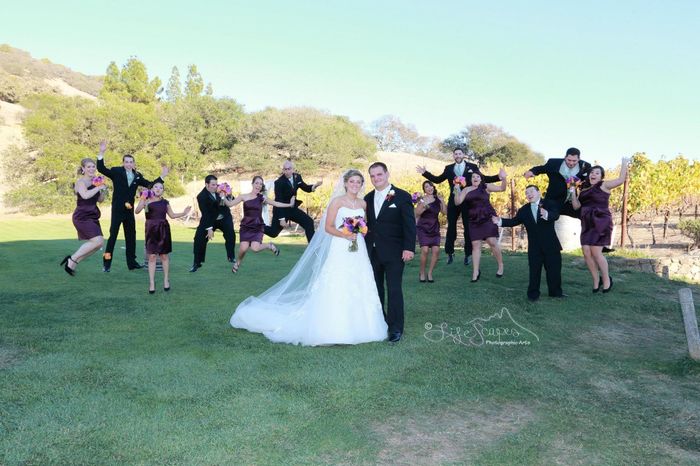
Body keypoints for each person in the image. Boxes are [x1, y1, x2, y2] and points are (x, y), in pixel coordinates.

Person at [230, 169, 388, 346]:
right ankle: (336, 326)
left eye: (358, 182)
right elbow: (328, 227)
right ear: (345, 183)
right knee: (339, 280)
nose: (355, 185)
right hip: (340, 246)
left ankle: (362, 325)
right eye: (352, 181)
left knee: (360, 279)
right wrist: (345, 235)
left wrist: (359, 231)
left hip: (358, 249)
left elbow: (364, 225)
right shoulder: (337, 202)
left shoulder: (363, 204)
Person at [417, 148, 505, 265]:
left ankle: (468, 254)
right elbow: (438, 180)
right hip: (454, 200)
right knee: (451, 227)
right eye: (455, 154)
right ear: (453, 156)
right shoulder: (448, 168)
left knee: (468, 227)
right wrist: (425, 173)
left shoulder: (472, 167)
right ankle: (449, 252)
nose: (458, 155)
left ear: (463, 155)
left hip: (468, 200)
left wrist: (498, 177)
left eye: (459, 153)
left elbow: (483, 178)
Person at [96, 141, 168, 272]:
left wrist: (162, 176)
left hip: (129, 211)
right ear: (123, 163)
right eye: (126, 162)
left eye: (131, 162)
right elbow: (101, 169)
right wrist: (101, 152)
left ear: (134, 164)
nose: (129, 164)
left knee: (131, 237)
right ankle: (106, 264)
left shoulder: (137, 176)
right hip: (117, 210)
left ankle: (132, 263)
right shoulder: (116, 171)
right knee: (112, 237)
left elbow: (150, 185)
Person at [365, 162, 416, 343]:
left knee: (394, 290)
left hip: (395, 252)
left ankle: (396, 329)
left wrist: (409, 248)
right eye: (372, 176)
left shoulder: (402, 196)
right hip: (372, 252)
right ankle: (380, 323)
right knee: (376, 289)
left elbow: (409, 225)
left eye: (379, 174)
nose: (376, 178)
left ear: (387, 174)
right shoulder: (367, 198)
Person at [492, 185, 564, 302]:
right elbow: (514, 221)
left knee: (554, 271)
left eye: (531, 192)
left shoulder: (549, 204)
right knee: (534, 271)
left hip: (551, 245)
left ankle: (555, 293)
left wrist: (547, 214)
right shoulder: (524, 210)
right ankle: (533, 295)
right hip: (534, 247)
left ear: (538, 192)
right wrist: (500, 221)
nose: (529, 194)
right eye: (526, 193)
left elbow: (555, 215)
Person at [571, 158, 629, 293]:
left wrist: (624, 163)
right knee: (586, 252)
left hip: (600, 221)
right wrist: (572, 192)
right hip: (586, 223)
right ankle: (596, 280)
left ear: (601, 177)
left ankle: (607, 280)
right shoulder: (584, 189)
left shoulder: (604, 185)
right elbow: (576, 206)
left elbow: (621, 180)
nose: (593, 174)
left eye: (597, 173)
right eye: (592, 172)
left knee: (596, 253)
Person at [225, 176, 296, 273]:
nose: (258, 185)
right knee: (243, 248)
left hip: (257, 225)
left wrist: (290, 204)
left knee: (255, 248)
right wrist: (222, 196)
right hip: (246, 226)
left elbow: (276, 203)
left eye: (260, 184)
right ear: (252, 184)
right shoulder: (243, 196)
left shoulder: (262, 198)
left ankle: (269, 246)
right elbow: (229, 204)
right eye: (257, 183)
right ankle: (238, 262)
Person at [135, 182, 191, 294]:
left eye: (161, 188)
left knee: (164, 256)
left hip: (163, 229)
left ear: (163, 191)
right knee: (151, 256)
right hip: (151, 230)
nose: (158, 189)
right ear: (152, 189)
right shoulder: (146, 199)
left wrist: (184, 213)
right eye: (156, 187)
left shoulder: (165, 202)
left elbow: (172, 215)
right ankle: (152, 283)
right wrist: (143, 199)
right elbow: (136, 211)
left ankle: (166, 280)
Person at [454, 172, 506, 282]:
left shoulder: (486, 186)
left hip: (487, 217)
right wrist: (456, 188)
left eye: (477, 176)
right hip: (473, 220)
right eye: (473, 177)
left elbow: (502, 188)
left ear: (481, 179)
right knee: (475, 245)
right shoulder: (466, 189)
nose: (475, 178)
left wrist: (504, 178)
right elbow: (457, 202)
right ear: (470, 179)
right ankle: (475, 271)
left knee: (492, 242)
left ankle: (500, 265)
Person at [62, 158, 108, 275]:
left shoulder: (96, 181)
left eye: (93, 166)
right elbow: (85, 195)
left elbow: (100, 200)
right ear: (83, 169)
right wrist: (98, 187)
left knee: (99, 244)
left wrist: (103, 190)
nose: (91, 169)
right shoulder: (80, 182)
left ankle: (74, 262)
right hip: (82, 216)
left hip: (93, 215)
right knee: (97, 241)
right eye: (88, 167)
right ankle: (72, 259)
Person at [523, 147, 592, 219]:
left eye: (574, 161)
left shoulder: (585, 166)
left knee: (586, 216)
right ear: (565, 157)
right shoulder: (554, 163)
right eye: (569, 160)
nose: (571, 163)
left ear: (579, 159)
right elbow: (542, 168)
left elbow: (590, 178)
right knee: (545, 218)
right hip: (554, 200)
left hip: (570, 202)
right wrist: (532, 171)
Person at [263, 160, 322, 243]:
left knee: (309, 222)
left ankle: (312, 247)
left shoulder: (297, 177)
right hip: (281, 210)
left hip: (292, 209)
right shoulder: (279, 182)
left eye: (289, 169)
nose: (287, 171)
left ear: (293, 169)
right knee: (273, 233)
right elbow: (278, 200)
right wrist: (282, 219)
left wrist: (314, 186)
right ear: (283, 170)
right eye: (285, 169)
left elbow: (305, 187)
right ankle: (256, 226)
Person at [190, 175, 237, 272]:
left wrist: (229, 195)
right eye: (213, 185)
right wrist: (209, 228)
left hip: (224, 217)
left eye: (216, 184)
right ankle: (197, 263)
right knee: (199, 238)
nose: (216, 186)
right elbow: (205, 213)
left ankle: (231, 256)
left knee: (230, 234)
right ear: (206, 184)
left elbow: (231, 200)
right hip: (209, 219)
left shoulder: (221, 189)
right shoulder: (201, 196)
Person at [414, 181, 446, 283]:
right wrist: (424, 206)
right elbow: (416, 213)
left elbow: (445, 212)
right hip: (423, 228)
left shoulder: (438, 199)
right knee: (425, 250)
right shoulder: (422, 200)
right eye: (426, 187)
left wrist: (442, 201)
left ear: (433, 187)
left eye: (430, 186)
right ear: (424, 190)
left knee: (436, 251)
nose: (429, 188)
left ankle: (430, 273)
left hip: (434, 228)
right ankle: (422, 272)